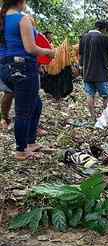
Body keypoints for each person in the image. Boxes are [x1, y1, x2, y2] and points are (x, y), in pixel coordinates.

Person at [0, 0, 54, 161]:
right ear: (22, 1)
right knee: (23, 111)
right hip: (23, 67)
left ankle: (30, 142)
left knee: (36, 103)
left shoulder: (2, 18)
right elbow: (31, 48)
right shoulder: (22, 19)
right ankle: (21, 150)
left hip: (5, 67)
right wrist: (50, 52)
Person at [79, 21, 108, 122]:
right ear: (103, 29)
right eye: (107, 31)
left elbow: (81, 55)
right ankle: (107, 118)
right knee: (106, 97)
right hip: (102, 73)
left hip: (87, 73)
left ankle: (93, 118)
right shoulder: (103, 38)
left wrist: (81, 68)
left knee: (90, 96)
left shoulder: (84, 37)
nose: (107, 33)